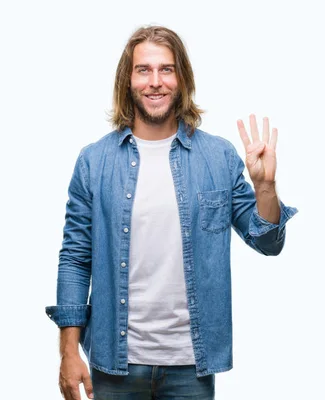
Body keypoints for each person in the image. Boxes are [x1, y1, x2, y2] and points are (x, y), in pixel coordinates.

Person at [45, 25, 297, 400]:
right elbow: (76, 259)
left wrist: (264, 187)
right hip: (114, 363)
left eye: (166, 69)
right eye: (143, 70)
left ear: (182, 79)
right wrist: (68, 352)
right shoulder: (94, 162)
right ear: (127, 80)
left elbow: (267, 241)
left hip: (190, 365)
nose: (155, 82)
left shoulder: (218, 156)